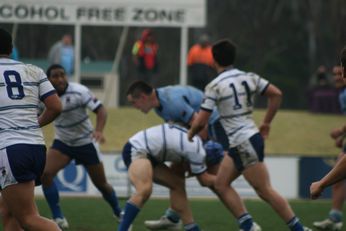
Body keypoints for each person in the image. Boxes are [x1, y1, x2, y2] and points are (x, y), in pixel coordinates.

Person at [188, 39, 311, 231]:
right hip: (244, 140)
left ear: (213, 61)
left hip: (243, 141)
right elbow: (276, 94)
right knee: (221, 184)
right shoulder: (250, 77)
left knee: (264, 191)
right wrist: (266, 123)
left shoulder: (214, 86)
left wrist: (190, 134)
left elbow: (201, 121)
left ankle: (299, 229)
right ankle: (247, 225)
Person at [126, 81, 261, 231]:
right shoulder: (159, 105)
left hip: (213, 126)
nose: (135, 107)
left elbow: (200, 126)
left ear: (143, 97)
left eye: (134, 102)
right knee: (176, 173)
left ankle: (248, 224)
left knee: (217, 182)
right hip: (202, 129)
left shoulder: (171, 102)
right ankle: (173, 217)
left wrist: (198, 154)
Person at [40, 64, 121, 229]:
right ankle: (58, 217)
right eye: (55, 76)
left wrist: (99, 130)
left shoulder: (79, 91)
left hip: (85, 142)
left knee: (101, 184)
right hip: (63, 142)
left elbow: (101, 111)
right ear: (48, 79)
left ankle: (119, 212)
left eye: (62, 75)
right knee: (45, 174)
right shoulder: (43, 97)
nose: (60, 78)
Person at [0, 28, 62, 231]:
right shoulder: (33, 70)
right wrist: (35, 123)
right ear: (11, 47)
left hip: (11, 150)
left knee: (28, 218)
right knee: (9, 212)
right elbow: (55, 107)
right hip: (36, 147)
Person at [119, 123, 226, 231]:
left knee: (177, 184)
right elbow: (204, 180)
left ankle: (192, 228)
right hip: (137, 147)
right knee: (144, 189)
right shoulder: (198, 152)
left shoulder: (197, 145)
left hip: (150, 152)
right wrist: (225, 181)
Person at [310, 47, 346, 227]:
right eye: (335, 74)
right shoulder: (342, 95)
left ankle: (335, 217)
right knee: (340, 172)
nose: (337, 78)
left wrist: (321, 184)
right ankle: (335, 217)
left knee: (340, 168)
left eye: (340, 73)